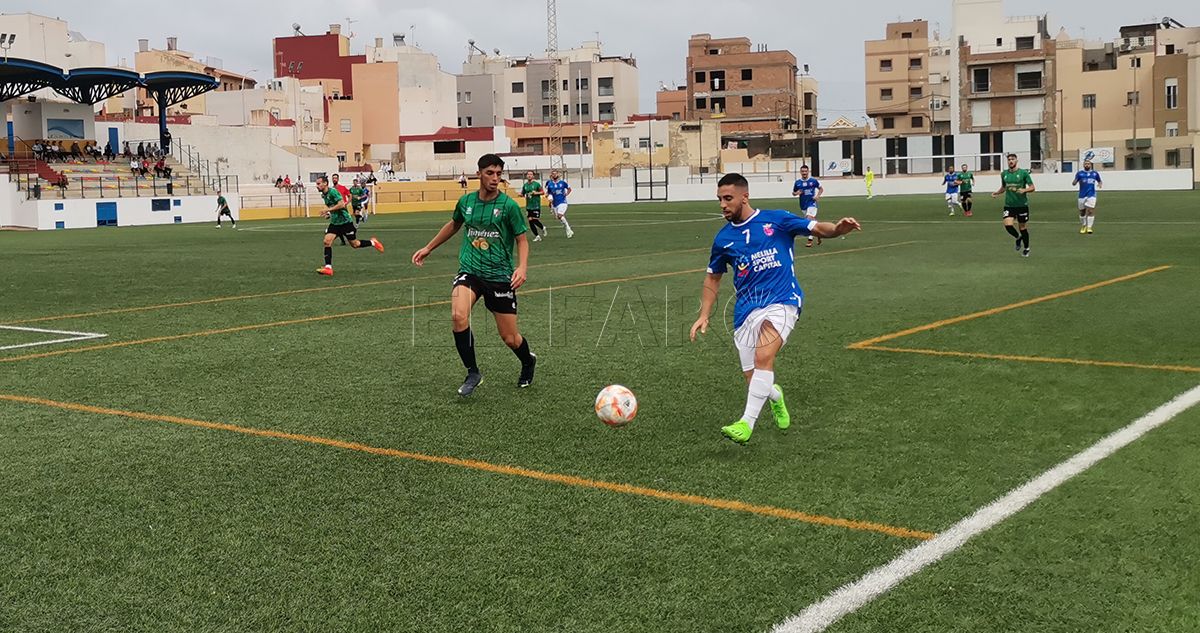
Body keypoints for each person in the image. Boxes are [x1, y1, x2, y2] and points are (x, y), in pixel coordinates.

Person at [690, 173, 861, 444]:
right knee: (754, 378)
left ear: (744, 197)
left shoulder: (777, 220)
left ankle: (746, 425)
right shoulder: (723, 239)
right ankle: (775, 396)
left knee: (763, 357)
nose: (723, 204)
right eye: (720, 199)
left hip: (783, 301)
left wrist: (838, 229)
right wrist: (704, 315)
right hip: (746, 310)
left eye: (728, 198)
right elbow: (713, 277)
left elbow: (817, 228)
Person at [411, 153, 536, 396]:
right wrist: (428, 248)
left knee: (510, 338)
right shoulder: (466, 202)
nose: (495, 178)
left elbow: (522, 240)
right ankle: (473, 372)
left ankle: (528, 361)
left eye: (499, 174)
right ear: (478, 173)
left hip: (500, 276)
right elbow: (454, 224)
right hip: (470, 271)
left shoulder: (508, 206)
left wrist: (521, 268)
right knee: (458, 315)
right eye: (490, 173)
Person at [315, 175, 384, 276]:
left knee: (355, 244)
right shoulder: (324, 195)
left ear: (325, 183)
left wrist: (328, 210)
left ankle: (373, 242)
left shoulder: (333, 192)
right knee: (327, 241)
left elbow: (342, 204)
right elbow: (333, 206)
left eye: (318, 184)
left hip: (345, 222)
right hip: (335, 223)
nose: (317, 186)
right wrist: (329, 214)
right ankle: (328, 268)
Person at [992, 153, 1035, 258]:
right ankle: (1018, 237)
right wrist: (997, 193)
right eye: (1009, 159)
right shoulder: (1004, 174)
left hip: (1021, 205)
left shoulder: (1023, 173)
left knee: (1023, 227)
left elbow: (1032, 187)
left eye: (1012, 159)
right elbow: (1004, 187)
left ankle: (1026, 248)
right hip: (1009, 205)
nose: (1010, 161)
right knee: (1008, 225)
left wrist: (1024, 190)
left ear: (1016, 161)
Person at [790, 165, 823, 247]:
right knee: (812, 221)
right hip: (803, 205)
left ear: (808, 172)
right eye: (803, 171)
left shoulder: (813, 181)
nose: (804, 173)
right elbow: (793, 193)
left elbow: (821, 189)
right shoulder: (797, 183)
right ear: (800, 172)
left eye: (806, 171)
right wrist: (797, 193)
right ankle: (819, 233)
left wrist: (817, 196)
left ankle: (810, 240)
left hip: (812, 203)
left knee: (809, 219)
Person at [1072, 160, 1102, 234]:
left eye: (1088, 164)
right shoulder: (1080, 174)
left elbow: (1099, 180)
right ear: (1083, 165)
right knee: (1082, 212)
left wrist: (1100, 184)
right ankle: (1084, 225)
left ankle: (1089, 228)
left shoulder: (1095, 173)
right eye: (1086, 164)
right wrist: (1074, 182)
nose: (1087, 165)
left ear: (1090, 165)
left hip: (1091, 194)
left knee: (1090, 210)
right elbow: (1074, 182)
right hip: (1082, 195)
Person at [544, 170, 574, 238]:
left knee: (560, 215)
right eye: (553, 174)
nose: (554, 175)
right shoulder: (550, 184)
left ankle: (568, 229)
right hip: (555, 203)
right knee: (558, 217)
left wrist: (566, 193)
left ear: (558, 175)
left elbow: (569, 189)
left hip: (562, 202)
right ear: (551, 175)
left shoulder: (562, 183)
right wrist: (548, 198)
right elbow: (549, 193)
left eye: (555, 174)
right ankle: (568, 229)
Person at [521, 171, 547, 242]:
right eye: (528, 174)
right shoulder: (525, 185)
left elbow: (542, 192)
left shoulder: (537, 184)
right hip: (528, 206)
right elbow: (523, 193)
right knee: (530, 220)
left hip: (535, 205)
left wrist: (536, 193)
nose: (529, 175)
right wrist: (520, 195)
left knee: (534, 220)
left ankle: (543, 227)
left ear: (533, 176)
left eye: (531, 174)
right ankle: (537, 236)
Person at [330, 173, 353, 245]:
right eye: (333, 178)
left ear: (338, 179)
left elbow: (350, 195)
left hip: (343, 210)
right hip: (335, 210)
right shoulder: (331, 190)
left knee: (345, 224)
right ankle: (343, 240)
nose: (334, 179)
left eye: (335, 178)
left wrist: (346, 203)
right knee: (338, 225)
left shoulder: (342, 188)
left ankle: (351, 236)